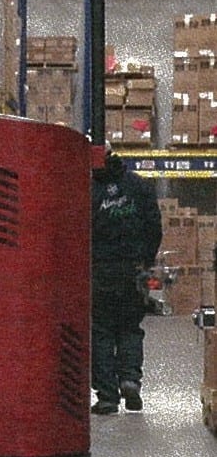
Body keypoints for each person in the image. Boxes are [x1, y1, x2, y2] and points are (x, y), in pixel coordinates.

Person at [90, 146, 162, 414]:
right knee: (130, 327)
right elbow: (154, 226)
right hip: (133, 269)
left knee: (102, 332)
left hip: (100, 272)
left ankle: (108, 396)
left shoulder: (87, 191)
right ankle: (130, 380)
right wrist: (146, 260)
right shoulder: (138, 186)